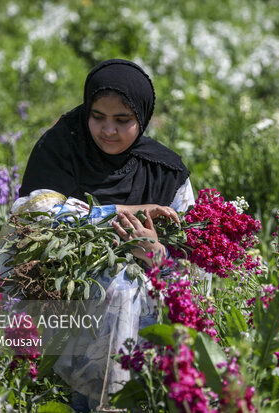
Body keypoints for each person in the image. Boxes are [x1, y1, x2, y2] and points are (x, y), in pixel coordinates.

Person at [10, 59, 195, 411]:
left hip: (141, 314)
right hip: (53, 290)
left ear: (142, 117)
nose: (108, 130)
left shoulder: (165, 172)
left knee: (123, 289)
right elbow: (31, 215)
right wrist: (119, 212)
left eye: (122, 120)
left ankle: (116, 401)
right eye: (98, 117)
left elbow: (193, 274)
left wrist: (156, 255)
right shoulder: (61, 149)